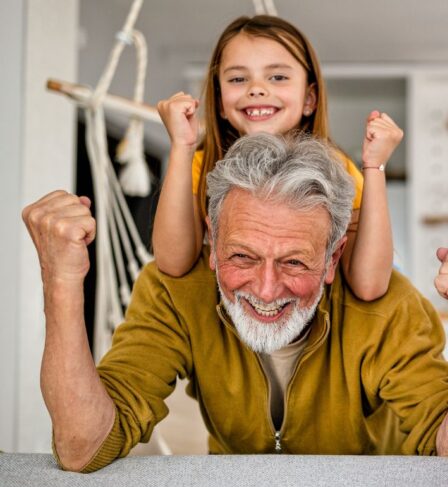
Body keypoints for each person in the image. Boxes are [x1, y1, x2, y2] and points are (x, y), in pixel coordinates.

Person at [21, 133, 448, 473]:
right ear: (210, 244)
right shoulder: (173, 294)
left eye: (294, 263)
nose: (266, 290)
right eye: (242, 257)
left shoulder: (388, 308)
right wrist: (61, 283)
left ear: (333, 259)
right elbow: (84, 447)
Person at [153, 15, 395, 303]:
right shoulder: (198, 165)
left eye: (278, 77)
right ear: (219, 102)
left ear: (309, 98)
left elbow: (369, 285)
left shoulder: (339, 170)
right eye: (238, 79)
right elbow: (172, 262)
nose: (256, 88)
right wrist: (182, 145)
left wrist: (375, 166)